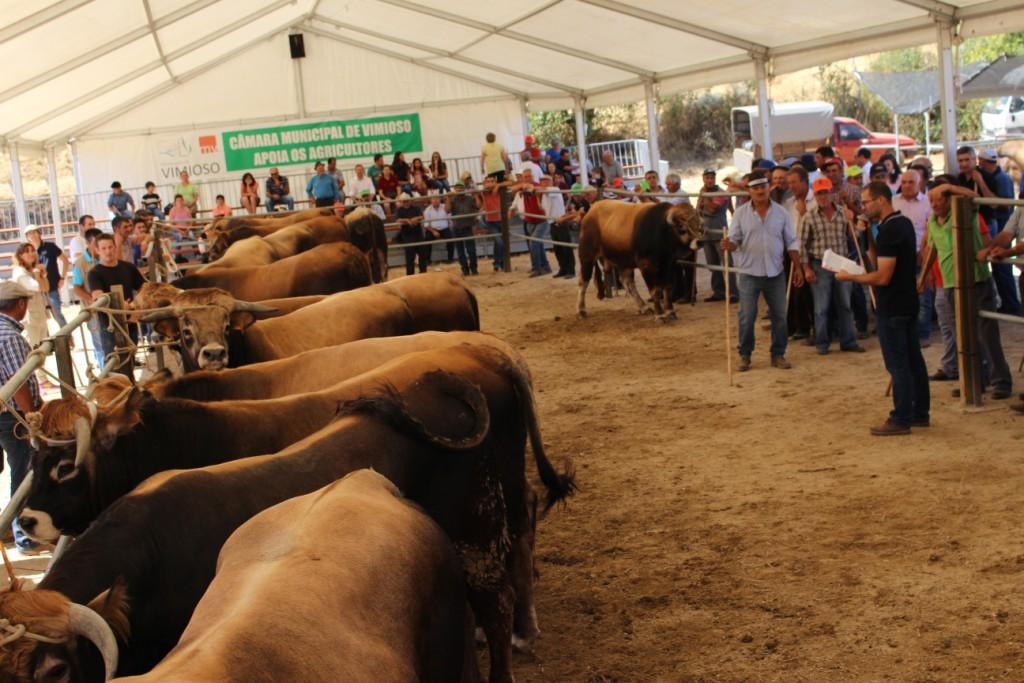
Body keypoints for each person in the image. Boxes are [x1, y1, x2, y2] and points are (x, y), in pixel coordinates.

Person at [837, 182, 928, 436]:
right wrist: (865, 234)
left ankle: (901, 417)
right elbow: (876, 259)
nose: (863, 207)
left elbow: (882, 275)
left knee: (898, 364)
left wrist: (850, 278)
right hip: (906, 301)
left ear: (880, 200)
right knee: (913, 361)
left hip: (893, 304)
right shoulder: (900, 224)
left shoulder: (890, 231)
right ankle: (920, 412)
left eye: (866, 202)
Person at [922, 181, 1013, 400]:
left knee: (987, 334)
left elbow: (972, 196)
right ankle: (975, 380)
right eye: (930, 200)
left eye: (938, 199)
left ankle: (1001, 381)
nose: (933, 204)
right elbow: (931, 249)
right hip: (951, 284)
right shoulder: (933, 222)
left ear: (948, 200)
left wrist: (948, 186)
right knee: (963, 336)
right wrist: (923, 275)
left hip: (976, 280)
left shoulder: (965, 214)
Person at [721, 174, 804, 371]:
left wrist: (798, 267)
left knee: (780, 316)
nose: (760, 191)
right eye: (755, 188)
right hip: (749, 272)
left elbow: (791, 241)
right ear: (749, 191)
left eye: (763, 187)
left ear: (769, 188)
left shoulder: (782, 213)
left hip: (776, 272)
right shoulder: (740, 214)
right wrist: (728, 245)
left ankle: (778, 354)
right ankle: (745, 355)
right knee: (747, 316)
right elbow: (735, 240)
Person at [0, 280, 46, 553]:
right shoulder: (11, 337)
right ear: (20, 304)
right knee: (24, 471)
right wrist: (30, 417)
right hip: (12, 417)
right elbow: (17, 382)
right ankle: (24, 535)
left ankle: (8, 527)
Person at [799, 177, 865, 355]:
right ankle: (822, 344)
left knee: (845, 304)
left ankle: (848, 341)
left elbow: (853, 239)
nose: (823, 196)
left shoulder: (844, 214)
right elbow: (802, 246)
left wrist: (855, 225)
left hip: (841, 263)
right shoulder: (808, 217)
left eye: (825, 192)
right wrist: (806, 269)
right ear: (815, 195)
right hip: (820, 264)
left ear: (831, 193)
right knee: (821, 307)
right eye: (819, 193)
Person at [87, 233, 146, 376]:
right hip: (109, 326)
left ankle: (130, 387)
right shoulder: (94, 273)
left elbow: (144, 287)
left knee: (130, 357)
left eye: (110, 247)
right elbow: (98, 296)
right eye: (104, 248)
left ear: (115, 247)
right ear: (97, 250)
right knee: (113, 362)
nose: (108, 251)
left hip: (129, 320)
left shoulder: (128, 267)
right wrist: (120, 306)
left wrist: (135, 306)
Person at [891, 168, 933, 343]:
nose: (907, 185)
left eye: (911, 182)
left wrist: (924, 254)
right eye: (905, 182)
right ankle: (903, 333)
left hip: (919, 256)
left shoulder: (928, 203)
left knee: (922, 296)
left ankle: (922, 334)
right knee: (900, 296)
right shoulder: (893, 201)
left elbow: (930, 231)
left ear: (920, 184)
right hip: (897, 258)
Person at [977, 147, 1020, 314]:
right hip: (1003, 227)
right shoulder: (998, 177)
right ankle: (1009, 303)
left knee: (1003, 269)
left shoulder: (1000, 179)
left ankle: (1011, 304)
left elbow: (1005, 203)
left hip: (1003, 225)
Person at [10, 242, 51, 387]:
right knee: (33, 349)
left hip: (40, 313)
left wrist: (41, 274)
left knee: (41, 347)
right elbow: (36, 287)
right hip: (29, 316)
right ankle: (40, 381)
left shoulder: (33, 270)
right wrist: (38, 273)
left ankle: (43, 379)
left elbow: (46, 287)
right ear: (20, 256)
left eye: (32, 250)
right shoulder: (20, 272)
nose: (31, 254)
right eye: (26, 251)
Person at [697, 168, 735, 302]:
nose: (709, 180)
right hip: (706, 234)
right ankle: (718, 292)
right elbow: (698, 211)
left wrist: (704, 197)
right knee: (712, 264)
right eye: (707, 178)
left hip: (720, 233)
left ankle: (733, 292)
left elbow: (713, 209)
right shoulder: (702, 193)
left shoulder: (721, 193)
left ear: (715, 179)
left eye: (711, 178)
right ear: (703, 179)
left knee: (726, 264)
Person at [784, 165, 814, 340]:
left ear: (804, 182)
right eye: (789, 183)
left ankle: (817, 328)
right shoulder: (788, 204)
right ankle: (801, 327)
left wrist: (804, 214)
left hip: (811, 252)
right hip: (793, 251)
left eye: (794, 182)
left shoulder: (816, 200)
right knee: (797, 290)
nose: (791, 186)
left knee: (811, 293)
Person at [23, 225, 69, 328]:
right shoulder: (27, 251)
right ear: (27, 237)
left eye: (34, 232)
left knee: (57, 314)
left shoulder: (50, 246)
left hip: (52, 287)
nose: (33, 235)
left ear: (39, 233)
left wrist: (62, 278)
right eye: (29, 234)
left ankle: (67, 338)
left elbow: (65, 261)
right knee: (41, 318)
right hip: (36, 290)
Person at [510, 168, 552, 277]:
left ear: (533, 176)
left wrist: (529, 187)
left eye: (529, 176)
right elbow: (512, 189)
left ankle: (537, 268)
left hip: (541, 219)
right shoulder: (522, 187)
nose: (528, 178)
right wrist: (521, 186)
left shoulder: (537, 185)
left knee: (534, 243)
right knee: (537, 244)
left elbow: (543, 188)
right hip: (530, 220)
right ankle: (545, 267)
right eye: (526, 177)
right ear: (523, 178)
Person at [541, 174, 572, 278]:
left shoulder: (554, 189)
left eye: (546, 181)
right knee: (558, 248)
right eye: (542, 181)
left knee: (566, 247)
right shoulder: (544, 193)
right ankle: (563, 269)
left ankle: (571, 270)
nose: (544, 183)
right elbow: (542, 208)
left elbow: (545, 191)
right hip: (552, 222)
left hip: (561, 221)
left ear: (551, 182)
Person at [448, 180, 479, 276]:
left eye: (461, 187)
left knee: (471, 250)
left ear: (464, 189)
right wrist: (447, 199)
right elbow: (447, 210)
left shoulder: (469, 198)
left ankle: (473, 268)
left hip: (468, 227)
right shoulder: (452, 199)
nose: (459, 189)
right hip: (457, 227)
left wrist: (476, 196)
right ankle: (465, 269)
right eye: (457, 187)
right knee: (460, 251)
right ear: (455, 189)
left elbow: (478, 206)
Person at [394, 193, 429, 275]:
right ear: (402, 202)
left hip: (417, 234)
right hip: (407, 235)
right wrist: (407, 220)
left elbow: (422, 217)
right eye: (404, 201)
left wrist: (415, 219)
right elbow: (397, 220)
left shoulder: (416, 208)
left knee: (422, 254)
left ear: (410, 201)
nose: (405, 202)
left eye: (407, 201)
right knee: (410, 257)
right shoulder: (399, 210)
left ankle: (423, 272)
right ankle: (410, 275)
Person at [479, 175, 504, 271]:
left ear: (495, 182)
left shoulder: (499, 189)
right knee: (499, 242)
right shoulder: (485, 192)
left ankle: (497, 263)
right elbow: (485, 188)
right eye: (487, 181)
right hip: (491, 221)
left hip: (501, 219)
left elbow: (510, 182)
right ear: (484, 183)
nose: (489, 183)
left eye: (492, 181)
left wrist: (498, 185)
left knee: (499, 243)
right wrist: (495, 186)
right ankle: (499, 262)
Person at [423, 193, 453, 262]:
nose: (435, 200)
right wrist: (433, 231)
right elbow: (426, 224)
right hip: (432, 229)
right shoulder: (427, 210)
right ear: (431, 200)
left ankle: (450, 259)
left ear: (440, 200)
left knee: (450, 239)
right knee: (426, 240)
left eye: (437, 198)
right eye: (433, 199)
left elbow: (449, 216)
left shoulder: (444, 207)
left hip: (444, 228)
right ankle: (427, 260)